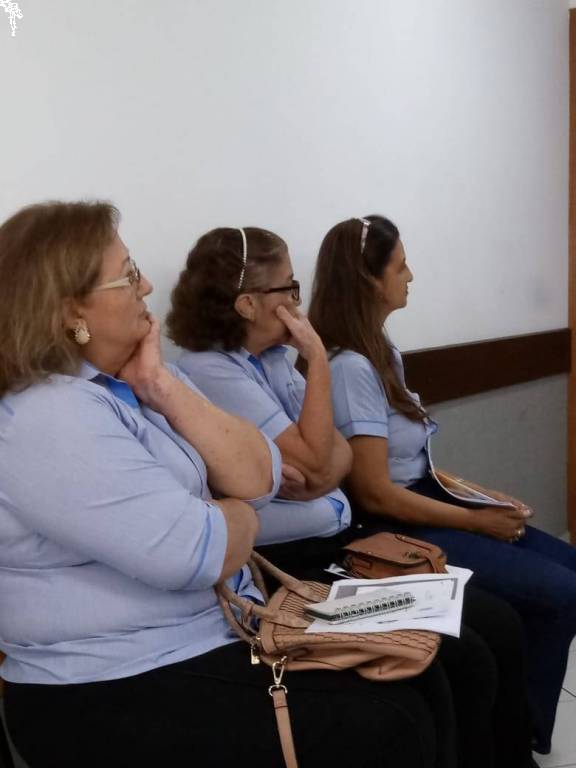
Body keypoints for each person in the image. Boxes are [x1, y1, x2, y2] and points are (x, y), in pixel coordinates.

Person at [0, 201, 460, 768]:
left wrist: (160, 385)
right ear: (71, 308)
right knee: (392, 723)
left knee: (424, 672)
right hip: (113, 680)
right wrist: (236, 512)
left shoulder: (134, 384)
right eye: (128, 274)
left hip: (212, 628)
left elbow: (260, 474)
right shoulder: (46, 416)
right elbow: (198, 551)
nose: (146, 285)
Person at [167, 225, 536, 768]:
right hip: (290, 566)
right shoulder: (210, 371)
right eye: (288, 288)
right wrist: (318, 360)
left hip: (341, 544)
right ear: (247, 304)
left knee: (495, 624)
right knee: (460, 658)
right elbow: (321, 461)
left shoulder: (272, 360)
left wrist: (316, 468)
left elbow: (333, 460)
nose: (298, 302)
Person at [306, 214, 576, 756]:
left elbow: (414, 459)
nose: (411, 276)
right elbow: (376, 492)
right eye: (400, 266)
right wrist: (477, 522)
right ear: (369, 280)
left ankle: (517, 720)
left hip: (423, 499)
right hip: (391, 525)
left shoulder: (381, 352)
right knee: (561, 592)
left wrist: (481, 495)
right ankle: (514, 733)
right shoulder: (351, 368)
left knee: (568, 567)